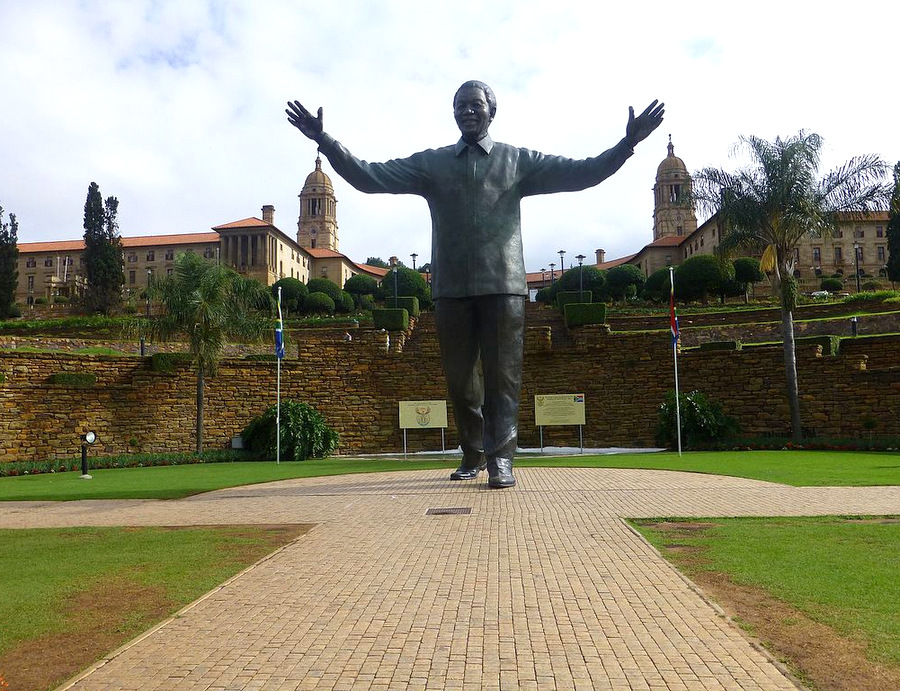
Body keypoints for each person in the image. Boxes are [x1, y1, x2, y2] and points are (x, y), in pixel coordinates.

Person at [287, 81, 663, 488]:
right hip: (451, 287)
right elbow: (369, 176)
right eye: (460, 105)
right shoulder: (433, 164)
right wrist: (324, 139)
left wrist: (627, 144)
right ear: (453, 113)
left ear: (491, 112)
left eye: (475, 105)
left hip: (503, 284)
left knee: (503, 378)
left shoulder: (516, 160)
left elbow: (583, 172)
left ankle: (502, 458)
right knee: (461, 381)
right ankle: (473, 451)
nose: (468, 111)